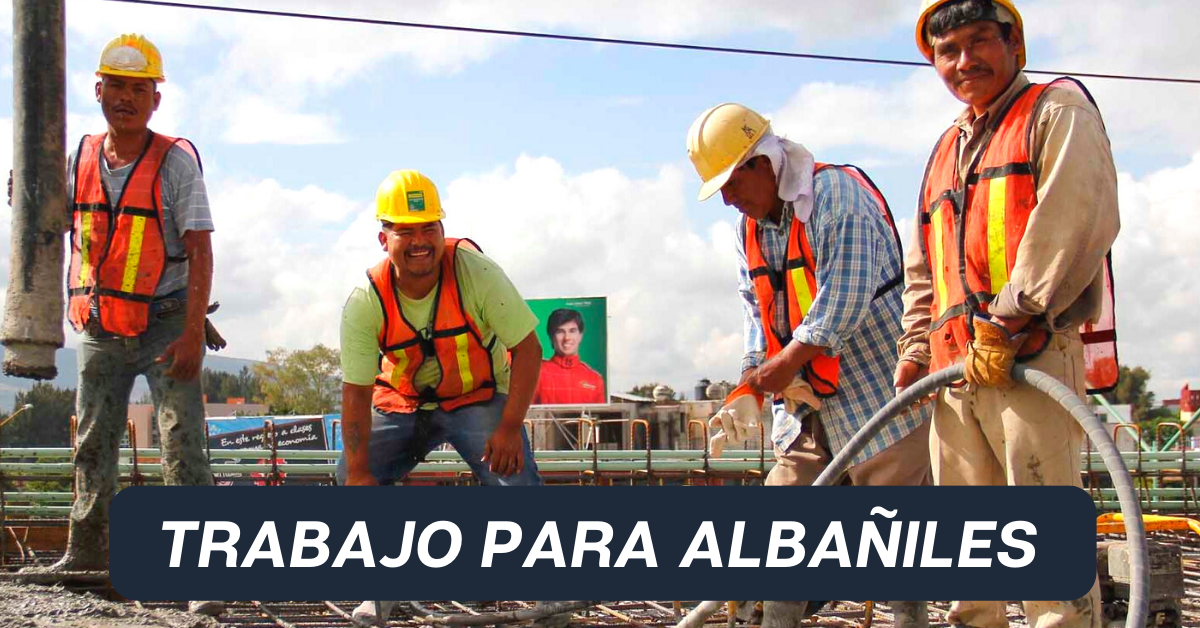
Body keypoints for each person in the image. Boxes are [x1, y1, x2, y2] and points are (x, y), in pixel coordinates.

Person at [897, 1, 1120, 627]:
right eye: (948, 51)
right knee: (972, 563)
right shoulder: (947, 147)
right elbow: (926, 267)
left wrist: (1009, 320)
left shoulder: (1056, 111)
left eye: (979, 42)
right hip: (953, 371)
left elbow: (1072, 221)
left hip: (1029, 356)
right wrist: (916, 349)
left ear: (1014, 43)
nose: (964, 62)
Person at [686, 103, 932, 628]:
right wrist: (752, 381)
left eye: (732, 182)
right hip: (806, 406)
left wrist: (783, 366)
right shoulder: (747, 230)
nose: (728, 198)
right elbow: (757, 309)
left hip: (879, 395)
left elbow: (845, 297)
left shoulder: (836, 197)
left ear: (765, 163)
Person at [14, 33, 225, 617]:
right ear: (98, 90)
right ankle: (85, 555)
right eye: (117, 88)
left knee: (182, 443)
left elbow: (201, 251)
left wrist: (190, 332)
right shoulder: (79, 158)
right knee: (92, 442)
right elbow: (44, 212)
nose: (127, 100)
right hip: (103, 323)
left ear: (155, 100)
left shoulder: (175, 162)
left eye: (140, 90)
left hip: (164, 322)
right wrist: (25, 190)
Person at [337, 169, 545, 626]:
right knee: (356, 473)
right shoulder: (366, 299)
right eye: (405, 231)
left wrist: (509, 428)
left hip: (477, 398)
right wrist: (356, 472)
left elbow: (528, 349)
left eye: (429, 228)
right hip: (405, 403)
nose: (419, 242)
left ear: (442, 231)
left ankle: (550, 594)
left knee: (514, 478)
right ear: (383, 237)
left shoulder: (477, 274)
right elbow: (354, 393)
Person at [532, 308, 606, 404]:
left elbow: (598, 418)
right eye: (560, 331)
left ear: (580, 336)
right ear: (551, 338)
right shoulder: (536, 373)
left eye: (572, 331)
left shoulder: (595, 379)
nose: (567, 337)